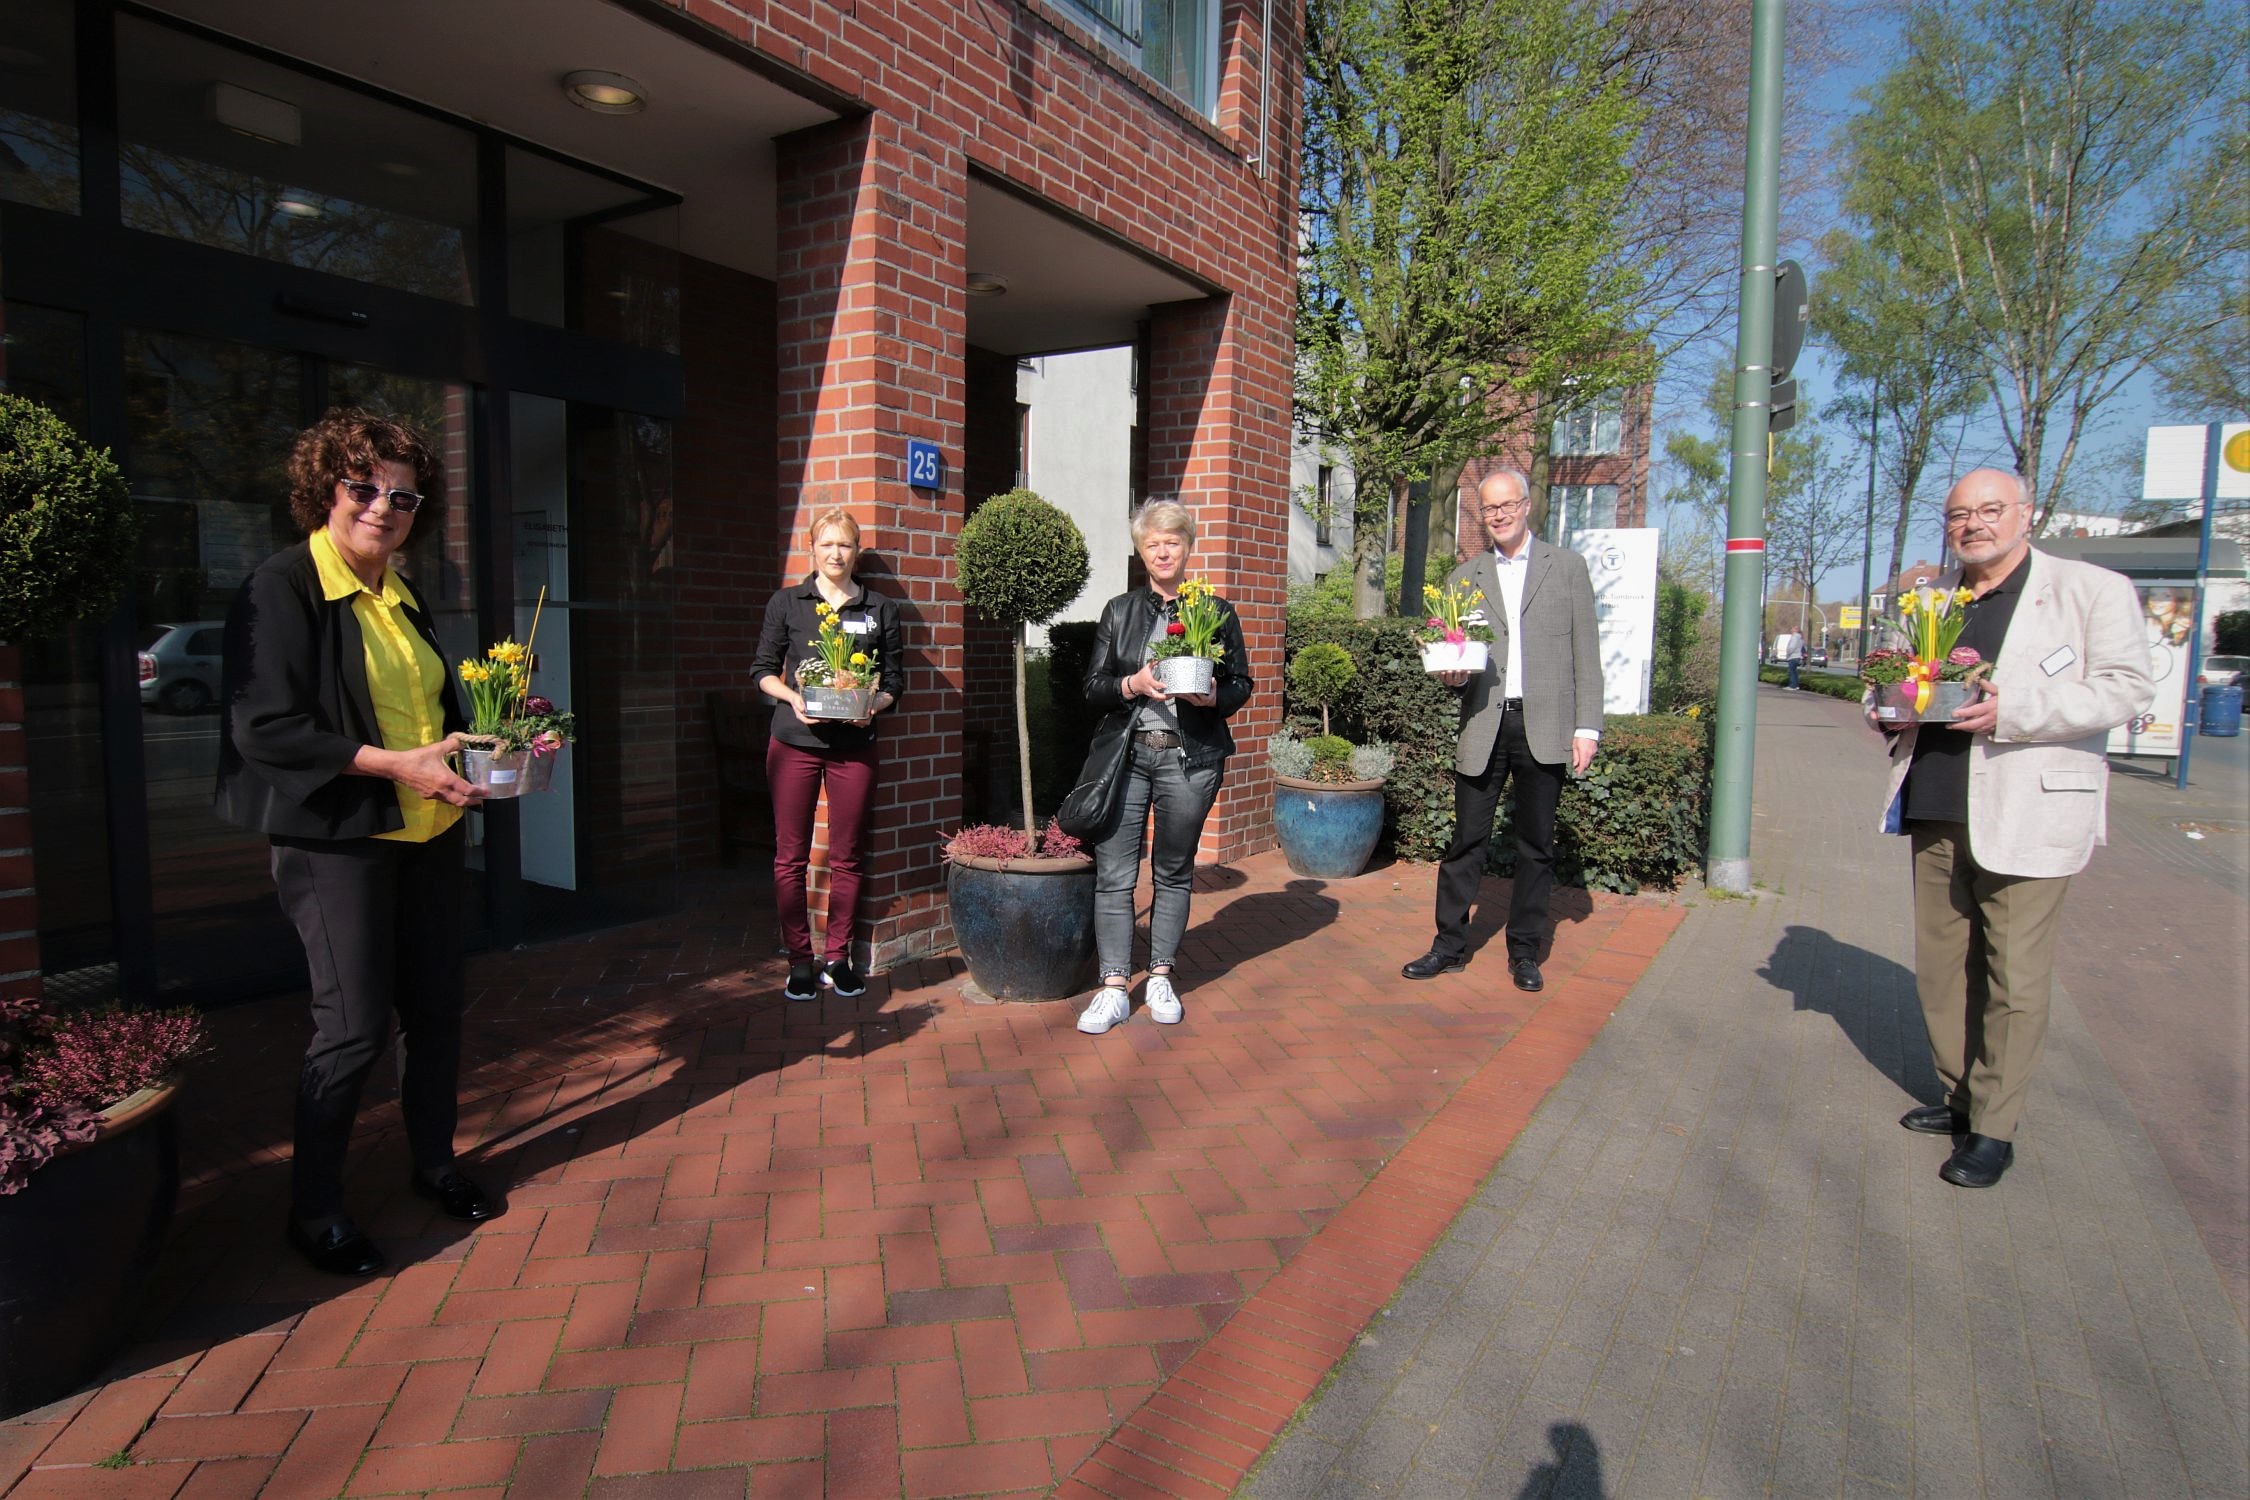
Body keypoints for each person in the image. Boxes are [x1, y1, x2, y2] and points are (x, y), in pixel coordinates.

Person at [215, 408, 500, 1277]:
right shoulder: (282, 586)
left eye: (404, 495)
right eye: (364, 486)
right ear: (323, 490)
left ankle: (434, 1161)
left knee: (437, 1008)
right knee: (352, 1028)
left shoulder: (401, 593)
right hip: (336, 838)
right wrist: (395, 766)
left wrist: (499, 740)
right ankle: (318, 1210)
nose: (384, 505)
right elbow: (267, 728)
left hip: (430, 829)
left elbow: (433, 717)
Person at [1871, 468, 2152, 1188]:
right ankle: (1962, 1098)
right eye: (1960, 514)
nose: (1974, 525)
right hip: (1935, 800)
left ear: (2026, 514)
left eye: (1990, 510)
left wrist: (2014, 708)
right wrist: (1889, 708)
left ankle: (1996, 1126)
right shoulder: (1935, 600)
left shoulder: (2091, 591)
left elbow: (2127, 686)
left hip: (2031, 807)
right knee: (1941, 970)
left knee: (2013, 976)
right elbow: (1909, 681)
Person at [1403, 468, 1604, 994]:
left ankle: (1524, 951)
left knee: (1536, 845)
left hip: (1546, 723)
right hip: (1484, 722)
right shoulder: (1464, 577)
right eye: (1490, 508)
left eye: (1507, 505)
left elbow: (1587, 655)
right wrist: (1449, 674)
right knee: (1465, 840)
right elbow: (1452, 661)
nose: (1499, 515)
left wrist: (1587, 728)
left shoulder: (1568, 569)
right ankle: (1448, 945)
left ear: (1526, 504)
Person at [1075, 501, 1253, 1035]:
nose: (1162, 550)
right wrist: (1133, 684)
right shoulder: (1119, 611)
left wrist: (1213, 696)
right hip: (1129, 757)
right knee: (1114, 875)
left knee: (1174, 871)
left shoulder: (1215, 612)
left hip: (1190, 759)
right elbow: (1092, 686)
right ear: (1140, 551)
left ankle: (1159, 976)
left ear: (1187, 546)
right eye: (1152, 543)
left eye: (1172, 541)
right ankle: (1112, 987)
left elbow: (1243, 683)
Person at [751, 509, 905, 1002]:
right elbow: (763, 670)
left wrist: (871, 707)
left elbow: (895, 682)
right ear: (811, 548)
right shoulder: (789, 603)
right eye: (826, 544)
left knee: (848, 856)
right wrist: (795, 698)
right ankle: (799, 959)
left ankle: (837, 957)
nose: (835, 554)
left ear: (855, 551)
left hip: (853, 748)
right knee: (790, 857)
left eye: (845, 545)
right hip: (794, 743)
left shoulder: (879, 608)